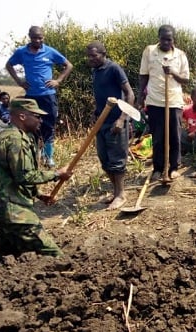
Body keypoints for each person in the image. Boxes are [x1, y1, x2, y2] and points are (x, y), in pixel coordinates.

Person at [0, 98, 73, 261]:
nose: (40, 120)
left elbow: (12, 176)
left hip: (2, 208)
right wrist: (57, 174)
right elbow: (24, 175)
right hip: (12, 210)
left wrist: (38, 194)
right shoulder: (15, 140)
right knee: (54, 255)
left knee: (8, 256)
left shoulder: (18, 136)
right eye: (37, 116)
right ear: (23, 117)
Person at [6, 26, 74, 168]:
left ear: (43, 37)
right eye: (35, 37)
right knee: (32, 126)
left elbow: (68, 65)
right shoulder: (21, 52)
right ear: (29, 37)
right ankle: (35, 156)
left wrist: (58, 81)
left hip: (48, 96)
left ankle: (49, 157)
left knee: (49, 125)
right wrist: (19, 81)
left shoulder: (49, 51)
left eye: (40, 37)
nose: (38, 40)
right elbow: (9, 65)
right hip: (31, 96)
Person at [137, 24, 190, 181]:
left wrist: (172, 72)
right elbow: (143, 75)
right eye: (163, 39)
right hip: (154, 100)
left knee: (175, 135)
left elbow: (185, 80)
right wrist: (140, 96)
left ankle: (173, 168)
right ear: (158, 38)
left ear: (174, 39)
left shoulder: (180, 55)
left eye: (169, 39)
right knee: (158, 137)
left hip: (174, 101)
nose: (166, 42)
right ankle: (158, 169)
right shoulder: (149, 51)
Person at [86, 41, 135, 210]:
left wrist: (122, 119)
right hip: (102, 121)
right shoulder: (95, 71)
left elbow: (130, 94)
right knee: (104, 159)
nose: (90, 59)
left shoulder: (114, 68)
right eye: (89, 56)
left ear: (103, 53)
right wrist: (95, 112)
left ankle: (120, 195)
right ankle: (116, 192)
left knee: (117, 160)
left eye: (94, 55)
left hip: (116, 121)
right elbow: (101, 95)